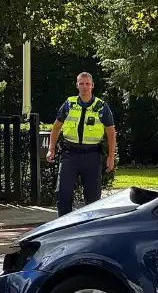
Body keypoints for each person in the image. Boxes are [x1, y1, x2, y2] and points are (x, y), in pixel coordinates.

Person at [47, 72, 117, 216]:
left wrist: (111, 156)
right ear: (77, 85)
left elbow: (111, 132)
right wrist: (51, 149)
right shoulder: (69, 104)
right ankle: (64, 224)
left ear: (92, 86)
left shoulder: (101, 106)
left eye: (87, 84)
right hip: (69, 154)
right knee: (63, 193)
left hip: (91, 155)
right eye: (81, 84)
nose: (84, 87)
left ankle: (90, 227)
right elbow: (56, 126)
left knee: (93, 197)